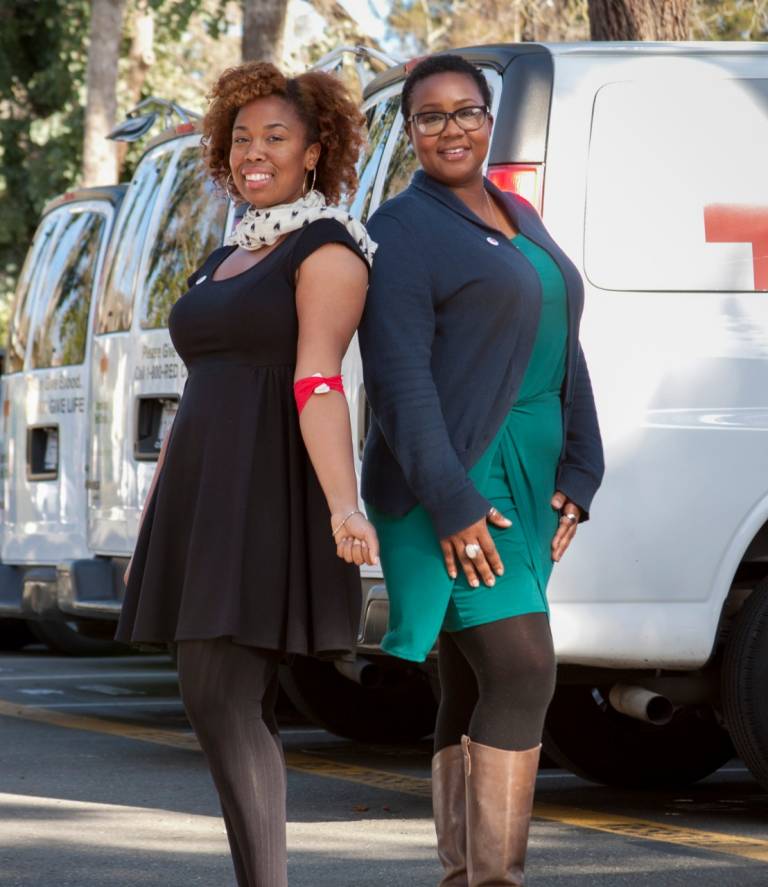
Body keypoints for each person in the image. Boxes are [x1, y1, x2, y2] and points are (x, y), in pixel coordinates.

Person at [116, 61, 379, 887]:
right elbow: (206, 385)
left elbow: (320, 381)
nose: (253, 152)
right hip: (202, 493)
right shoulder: (228, 250)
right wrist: (159, 511)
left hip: (268, 490)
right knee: (228, 697)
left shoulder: (328, 248)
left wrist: (345, 503)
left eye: (276, 137)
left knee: (219, 694)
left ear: (315, 151)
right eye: (240, 137)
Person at [359, 54, 604, 886]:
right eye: (431, 117)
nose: (452, 128)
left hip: (535, 471)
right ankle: (491, 878)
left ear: (489, 120)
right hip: (460, 473)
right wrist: (454, 500)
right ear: (409, 132)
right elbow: (399, 382)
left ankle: (467, 876)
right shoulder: (399, 231)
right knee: (523, 666)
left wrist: (584, 463)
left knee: (472, 679)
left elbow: (562, 340)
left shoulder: (516, 210)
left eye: (466, 112)